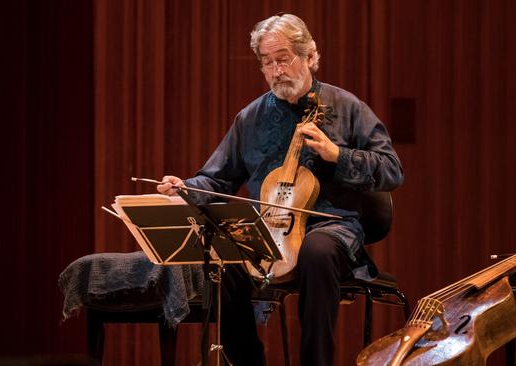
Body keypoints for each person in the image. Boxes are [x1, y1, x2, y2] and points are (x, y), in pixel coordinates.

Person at [157, 13, 403, 366]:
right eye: (267, 63)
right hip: (269, 231)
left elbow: (392, 170)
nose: (276, 70)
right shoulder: (251, 117)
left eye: (284, 58)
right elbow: (216, 178)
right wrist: (184, 188)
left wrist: (337, 155)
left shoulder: (347, 108)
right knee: (222, 261)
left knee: (315, 252)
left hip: (330, 228)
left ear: (310, 57)